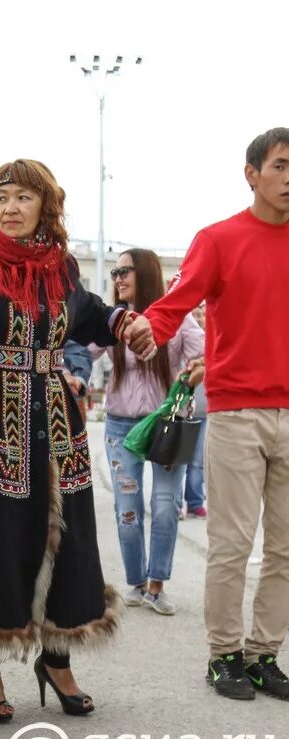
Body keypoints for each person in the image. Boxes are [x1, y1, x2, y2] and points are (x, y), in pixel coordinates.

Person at [0, 159, 133, 723]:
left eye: (22, 198)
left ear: (46, 205)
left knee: (67, 542)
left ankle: (57, 657)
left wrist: (124, 323)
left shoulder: (60, 267)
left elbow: (89, 315)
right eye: (1, 197)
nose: (10, 209)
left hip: (56, 425)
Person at [125, 127, 289, 702]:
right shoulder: (219, 239)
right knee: (231, 545)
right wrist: (151, 326)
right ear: (252, 173)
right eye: (281, 166)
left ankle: (265, 654)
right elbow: (179, 299)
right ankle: (224, 657)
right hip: (239, 411)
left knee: (287, 548)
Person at [92, 250, 203, 617]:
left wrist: (195, 372)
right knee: (128, 508)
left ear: (146, 275)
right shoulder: (111, 322)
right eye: (115, 272)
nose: (118, 278)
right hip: (121, 426)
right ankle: (136, 583)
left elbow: (207, 354)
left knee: (167, 505)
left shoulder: (180, 320)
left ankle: (157, 586)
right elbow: (76, 349)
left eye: (126, 271)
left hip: (168, 426)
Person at [181, 302, 208, 518]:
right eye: (195, 314)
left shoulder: (209, 343)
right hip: (182, 410)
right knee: (180, 458)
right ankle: (177, 502)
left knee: (198, 461)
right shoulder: (186, 343)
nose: (199, 318)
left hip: (204, 412)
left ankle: (195, 501)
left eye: (202, 314)